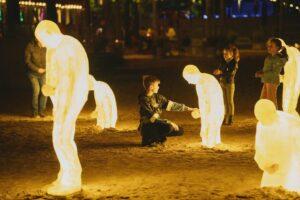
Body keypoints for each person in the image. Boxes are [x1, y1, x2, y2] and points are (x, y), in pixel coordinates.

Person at [35, 20, 89, 196]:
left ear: (50, 33)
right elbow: (56, 78)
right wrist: (53, 96)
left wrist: (63, 107)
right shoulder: (55, 48)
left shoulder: (66, 47)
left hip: (71, 97)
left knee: (62, 137)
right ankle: (65, 174)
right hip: (63, 99)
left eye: (42, 39)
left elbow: (69, 81)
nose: (41, 44)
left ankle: (72, 178)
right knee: (61, 137)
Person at [254, 99, 300, 192]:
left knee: (290, 189)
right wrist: (265, 165)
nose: (262, 121)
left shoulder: (290, 124)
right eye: (259, 118)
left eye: (263, 117)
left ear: (272, 114)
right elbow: (260, 149)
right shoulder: (262, 125)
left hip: (291, 167)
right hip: (273, 169)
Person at [138, 75, 195, 147]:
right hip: (148, 125)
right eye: (157, 85)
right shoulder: (144, 99)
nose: (158, 87)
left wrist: (189, 109)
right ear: (151, 87)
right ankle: (148, 139)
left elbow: (172, 105)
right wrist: (168, 122)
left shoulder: (158, 97)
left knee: (180, 131)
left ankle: (158, 139)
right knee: (168, 127)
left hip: (156, 122)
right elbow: (152, 118)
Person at [183, 65, 225, 148]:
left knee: (210, 125)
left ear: (192, 76)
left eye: (188, 79)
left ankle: (210, 143)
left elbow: (207, 101)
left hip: (213, 108)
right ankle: (213, 141)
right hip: (210, 108)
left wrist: (204, 113)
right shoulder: (203, 80)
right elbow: (203, 101)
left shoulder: (204, 82)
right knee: (209, 125)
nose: (189, 82)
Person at [255, 38, 288, 108]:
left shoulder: (278, 58)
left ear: (277, 48)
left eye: (271, 46)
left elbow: (275, 72)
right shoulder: (270, 57)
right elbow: (267, 69)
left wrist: (263, 74)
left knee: (271, 100)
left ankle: (274, 116)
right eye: (268, 46)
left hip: (272, 81)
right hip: (267, 80)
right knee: (263, 100)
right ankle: (265, 116)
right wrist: (261, 72)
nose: (268, 48)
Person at [213, 45, 239, 125]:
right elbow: (220, 69)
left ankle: (230, 117)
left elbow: (231, 73)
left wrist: (221, 72)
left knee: (230, 101)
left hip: (230, 83)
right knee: (224, 101)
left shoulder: (234, 62)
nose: (224, 55)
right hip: (222, 83)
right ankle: (225, 117)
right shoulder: (223, 61)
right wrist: (218, 71)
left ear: (231, 54)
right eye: (224, 54)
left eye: (226, 54)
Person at [25, 37, 47, 118]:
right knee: (36, 90)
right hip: (33, 73)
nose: (43, 44)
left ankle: (42, 111)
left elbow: (50, 57)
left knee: (45, 91)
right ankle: (35, 112)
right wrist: (37, 69)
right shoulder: (30, 46)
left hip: (43, 73)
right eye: (41, 42)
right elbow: (27, 62)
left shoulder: (46, 46)